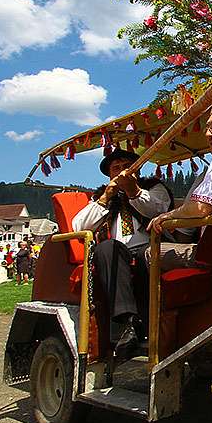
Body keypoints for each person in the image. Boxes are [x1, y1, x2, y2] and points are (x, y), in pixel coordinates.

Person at [72, 147, 173, 359]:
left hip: (150, 246)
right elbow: (79, 226)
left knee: (149, 255)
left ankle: (151, 325)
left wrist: (132, 190)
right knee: (106, 248)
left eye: (127, 166)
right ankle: (128, 324)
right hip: (119, 253)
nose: (120, 171)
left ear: (137, 169)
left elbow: (159, 209)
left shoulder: (153, 187)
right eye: (115, 168)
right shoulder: (103, 196)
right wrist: (105, 198)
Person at [148, 105, 212, 267]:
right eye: (207, 128)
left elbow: (200, 208)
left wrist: (167, 216)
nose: (208, 134)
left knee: (149, 253)